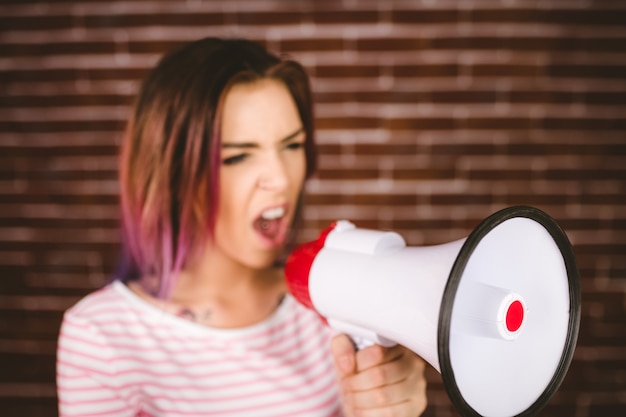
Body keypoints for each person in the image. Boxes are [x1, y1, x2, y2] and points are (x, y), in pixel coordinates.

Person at [56, 37, 427, 417]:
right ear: (171, 171)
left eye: (292, 145)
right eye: (237, 156)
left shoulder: (334, 304)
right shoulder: (101, 337)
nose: (281, 179)